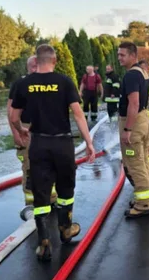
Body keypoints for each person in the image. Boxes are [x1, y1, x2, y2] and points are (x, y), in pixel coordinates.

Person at [10, 44, 95, 261]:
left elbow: (13, 116)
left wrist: (21, 131)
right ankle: (65, 229)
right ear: (54, 60)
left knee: (41, 192)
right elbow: (78, 114)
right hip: (62, 144)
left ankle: (44, 241)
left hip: (38, 144)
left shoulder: (24, 84)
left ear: (36, 61)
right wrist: (89, 143)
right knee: (66, 188)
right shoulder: (64, 82)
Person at [7, 55, 56, 218]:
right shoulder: (20, 84)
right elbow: (11, 112)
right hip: (25, 129)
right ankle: (31, 202)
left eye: (39, 66)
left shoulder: (48, 83)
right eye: (33, 67)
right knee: (29, 167)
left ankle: (51, 199)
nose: (36, 69)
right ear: (28, 68)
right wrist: (16, 133)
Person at [117, 42, 149, 219]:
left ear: (133, 56)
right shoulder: (142, 72)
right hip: (144, 119)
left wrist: (127, 129)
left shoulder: (131, 75)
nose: (119, 58)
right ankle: (144, 198)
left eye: (122, 55)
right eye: (118, 55)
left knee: (134, 162)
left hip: (135, 122)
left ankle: (144, 203)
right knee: (143, 161)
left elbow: (134, 103)